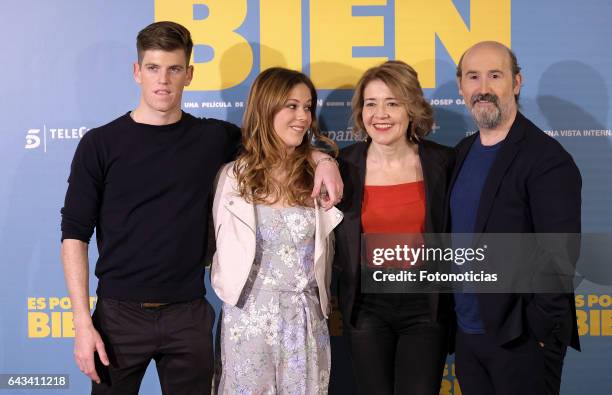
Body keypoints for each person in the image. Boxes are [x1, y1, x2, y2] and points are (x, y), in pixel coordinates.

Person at [60, 22, 342, 395]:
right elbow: (74, 235)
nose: (164, 80)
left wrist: (324, 159)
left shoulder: (213, 139)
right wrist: (82, 322)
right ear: (136, 72)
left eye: (175, 69)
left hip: (188, 316)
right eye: (153, 68)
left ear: (189, 74)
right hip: (118, 315)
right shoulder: (100, 144)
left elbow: (276, 139)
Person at [450, 41, 581, 395]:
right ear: (461, 86)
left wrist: (538, 333)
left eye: (495, 75)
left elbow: (560, 257)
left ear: (517, 82)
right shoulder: (462, 153)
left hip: (521, 340)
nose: (483, 88)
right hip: (468, 337)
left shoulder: (546, 159)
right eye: (473, 77)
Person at [211, 67, 343, 394]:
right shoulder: (233, 177)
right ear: (266, 108)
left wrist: (323, 160)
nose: (302, 116)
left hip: (305, 318)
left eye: (308, 107)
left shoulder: (319, 176)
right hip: (247, 319)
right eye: (291, 106)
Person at [334, 60, 454, 395]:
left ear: (412, 108)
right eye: (371, 104)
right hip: (367, 306)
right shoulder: (342, 166)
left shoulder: (442, 163)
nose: (380, 114)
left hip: (425, 307)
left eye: (392, 103)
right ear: (361, 112)